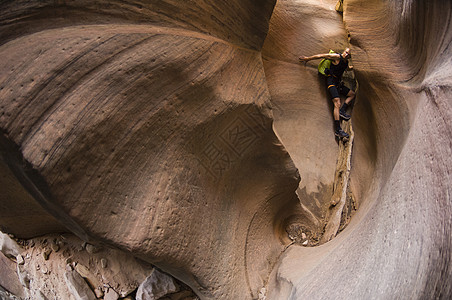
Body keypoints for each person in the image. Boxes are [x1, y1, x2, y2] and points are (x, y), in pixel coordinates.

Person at [299, 48, 355, 139]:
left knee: (352, 94)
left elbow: (348, 68)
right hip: (331, 82)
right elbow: (321, 55)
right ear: (344, 51)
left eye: (348, 55)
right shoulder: (336, 57)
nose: (346, 54)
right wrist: (307, 59)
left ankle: (342, 111)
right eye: (346, 52)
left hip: (338, 83)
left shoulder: (345, 62)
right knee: (337, 103)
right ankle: (338, 130)